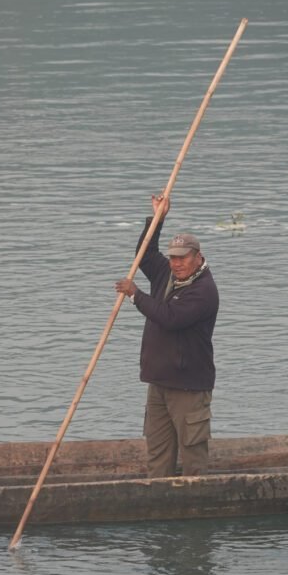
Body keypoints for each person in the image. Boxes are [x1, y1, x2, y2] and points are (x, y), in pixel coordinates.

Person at [114, 194, 219, 478]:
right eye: (172, 258)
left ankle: (197, 502)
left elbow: (170, 319)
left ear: (197, 257)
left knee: (192, 454)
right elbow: (145, 255)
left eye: (182, 258)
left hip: (188, 386)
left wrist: (135, 295)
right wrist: (158, 218)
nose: (175, 263)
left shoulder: (204, 291)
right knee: (158, 452)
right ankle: (159, 499)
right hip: (159, 381)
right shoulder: (167, 274)